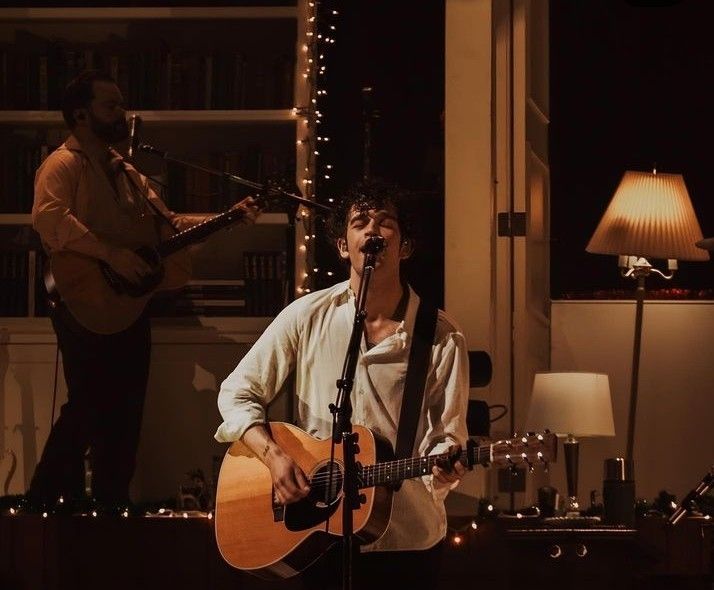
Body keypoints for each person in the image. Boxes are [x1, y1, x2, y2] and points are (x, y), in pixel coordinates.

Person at [215, 182, 470, 589]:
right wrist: (275, 458)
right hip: (317, 530)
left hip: (405, 537)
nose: (373, 231)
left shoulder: (440, 335)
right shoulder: (306, 316)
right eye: (361, 222)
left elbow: (447, 436)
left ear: (403, 247)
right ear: (342, 245)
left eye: (386, 224)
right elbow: (237, 392)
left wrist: (446, 466)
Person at [27, 69, 259, 512]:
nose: (122, 113)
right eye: (110, 105)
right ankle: (42, 504)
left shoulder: (127, 172)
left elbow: (167, 230)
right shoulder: (61, 164)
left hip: (129, 307)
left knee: (126, 413)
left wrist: (227, 219)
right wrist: (110, 254)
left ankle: (111, 508)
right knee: (88, 408)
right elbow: (50, 219)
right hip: (84, 301)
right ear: (80, 114)